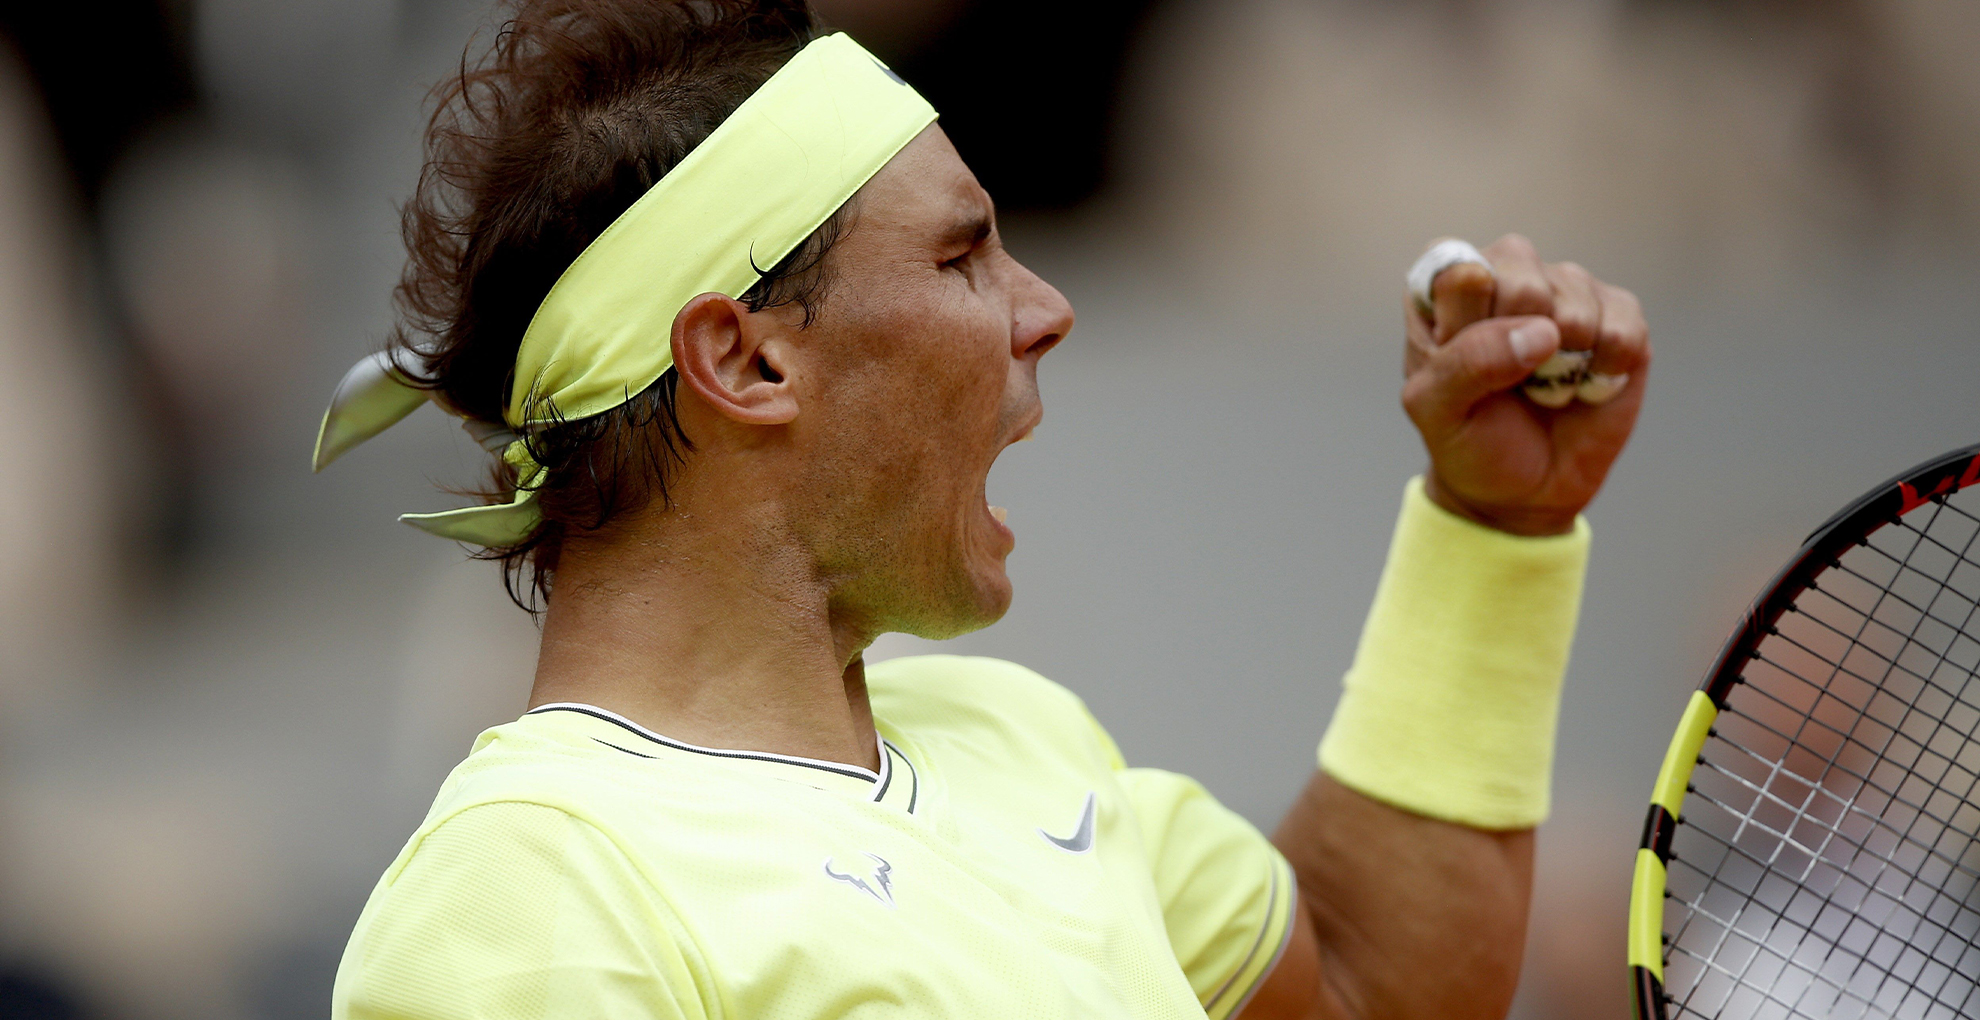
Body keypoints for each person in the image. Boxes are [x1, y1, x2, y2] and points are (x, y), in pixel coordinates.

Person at [316, 1, 1650, 1017]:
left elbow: (1357, 978)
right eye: (964, 255)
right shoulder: (530, 891)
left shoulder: (1021, 741)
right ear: (747, 359)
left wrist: (1494, 532)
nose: (1045, 310)